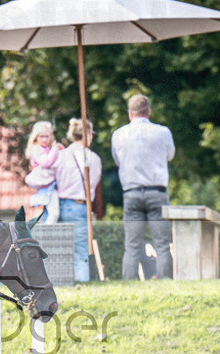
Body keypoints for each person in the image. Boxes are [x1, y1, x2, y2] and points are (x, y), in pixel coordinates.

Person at [111, 94, 176, 280]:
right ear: (149, 112)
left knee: (132, 245)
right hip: (157, 193)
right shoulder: (163, 132)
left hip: (131, 194)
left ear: (130, 113)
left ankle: (129, 284)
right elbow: (170, 155)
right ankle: (165, 282)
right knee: (162, 244)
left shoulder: (118, 134)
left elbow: (118, 161)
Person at [53, 117, 102, 283]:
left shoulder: (60, 156)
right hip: (81, 206)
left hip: (60, 205)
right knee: (81, 250)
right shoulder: (93, 158)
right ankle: (82, 284)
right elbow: (93, 186)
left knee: (61, 250)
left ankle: (62, 285)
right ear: (88, 134)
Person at [25, 121, 62, 223]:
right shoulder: (36, 149)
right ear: (36, 137)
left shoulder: (46, 149)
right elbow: (45, 163)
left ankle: (45, 233)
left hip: (50, 184)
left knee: (51, 213)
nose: (45, 139)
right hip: (46, 183)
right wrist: (55, 149)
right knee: (54, 214)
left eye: (47, 136)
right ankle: (46, 236)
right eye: (42, 136)